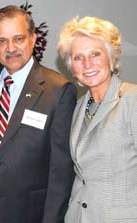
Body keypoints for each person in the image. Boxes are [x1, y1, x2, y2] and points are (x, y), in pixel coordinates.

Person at [0, 5, 77, 223]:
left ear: (33, 38)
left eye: (18, 38)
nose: (11, 48)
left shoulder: (58, 90)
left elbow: (61, 172)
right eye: (2, 41)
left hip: (27, 212)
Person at [57, 16, 137, 223]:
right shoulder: (79, 106)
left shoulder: (132, 100)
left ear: (111, 58)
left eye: (95, 54)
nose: (87, 64)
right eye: (78, 58)